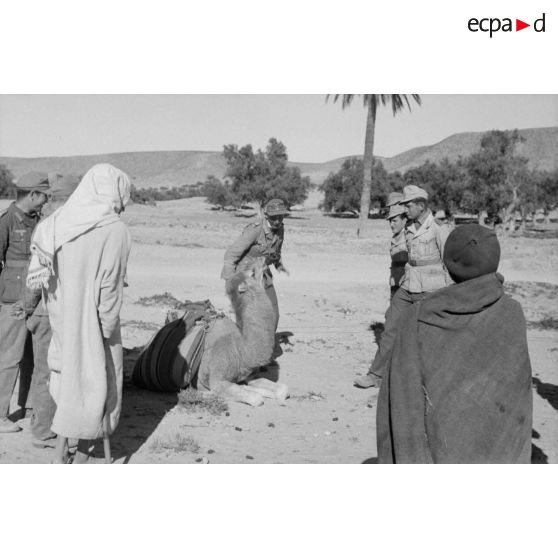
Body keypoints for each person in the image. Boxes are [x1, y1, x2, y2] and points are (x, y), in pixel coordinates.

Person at [376, 225, 532, 463]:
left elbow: (402, 398)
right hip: (499, 453)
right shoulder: (512, 313)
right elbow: (518, 399)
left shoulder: (418, 317)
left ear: (448, 265)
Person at [27, 164, 132, 463]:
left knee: (66, 385)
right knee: (96, 387)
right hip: (94, 324)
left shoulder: (56, 222)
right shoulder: (115, 230)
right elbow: (110, 290)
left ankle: (61, 454)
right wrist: (106, 331)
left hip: (62, 321)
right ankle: (84, 452)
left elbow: (42, 276)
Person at [356, 185, 451, 389]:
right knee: (391, 327)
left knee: (430, 335)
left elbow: (448, 261)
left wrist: (448, 293)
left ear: (420, 205)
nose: (405, 209)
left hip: (431, 290)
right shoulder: (409, 228)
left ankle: (434, 381)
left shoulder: (438, 228)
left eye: (408, 206)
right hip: (408, 287)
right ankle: (375, 375)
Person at [14, 174, 80, 448]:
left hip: (42, 309)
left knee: (43, 368)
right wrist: (28, 308)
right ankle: (42, 429)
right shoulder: (65, 225)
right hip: (50, 310)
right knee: (47, 371)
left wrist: (27, 308)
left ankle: (38, 418)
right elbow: (37, 275)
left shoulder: (48, 224)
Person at [0, 171, 50, 434]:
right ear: (33, 194)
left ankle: (29, 405)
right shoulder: (7, 220)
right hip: (13, 299)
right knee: (8, 356)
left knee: (32, 356)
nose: (46, 202)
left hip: (35, 295)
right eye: (44, 196)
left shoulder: (37, 221)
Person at [221, 198, 290, 356]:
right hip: (244, 276)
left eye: (281, 216)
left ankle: (264, 351)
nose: (278, 220)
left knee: (273, 313)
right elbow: (231, 255)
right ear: (266, 216)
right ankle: (242, 355)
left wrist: (279, 265)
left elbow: (275, 251)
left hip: (263, 274)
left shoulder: (280, 229)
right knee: (248, 317)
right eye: (275, 217)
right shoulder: (255, 230)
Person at [354, 192, 408, 388]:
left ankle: (377, 374)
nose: (391, 223)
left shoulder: (413, 236)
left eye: (394, 219)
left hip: (410, 290)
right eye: (389, 220)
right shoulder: (399, 236)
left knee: (391, 331)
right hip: (398, 289)